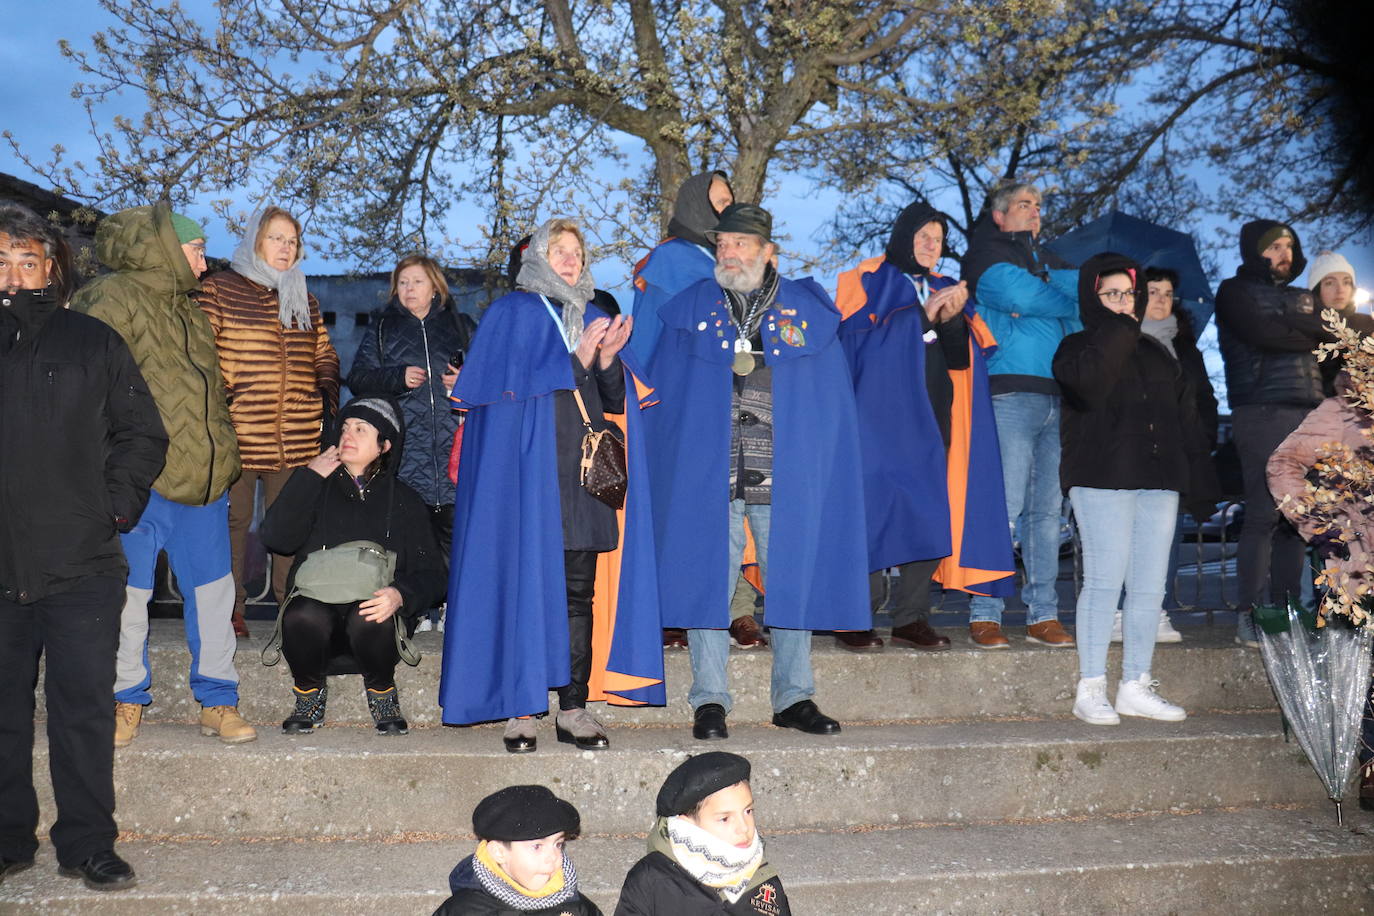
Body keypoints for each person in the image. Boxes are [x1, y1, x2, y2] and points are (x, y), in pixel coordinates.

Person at [644, 203, 869, 740]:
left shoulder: (804, 311)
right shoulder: (688, 308)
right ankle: (709, 701)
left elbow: (828, 405)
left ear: (769, 252)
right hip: (709, 473)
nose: (730, 252)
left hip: (784, 471)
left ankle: (794, 697)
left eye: (741, 244)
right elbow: (665, 401)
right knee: (708, 583)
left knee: (791, 579)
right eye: (723, 243)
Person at [439, 218, 664, 752]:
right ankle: (521, 711)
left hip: (579, 477)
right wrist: (577, 359)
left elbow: (612, 402)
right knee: (523, 587)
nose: (569, 260)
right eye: (558, 250)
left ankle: (574, 707)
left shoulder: (594, 314)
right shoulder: (513, 313)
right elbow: (508, 401)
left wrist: (606, 360)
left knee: (576, 594)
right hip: (525, 477)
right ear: (537, 255)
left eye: (577, 252)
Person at [0, 203, 167, 891]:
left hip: (82, 565)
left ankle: (87, 844)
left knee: (83, 716)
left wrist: (114, 506)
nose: (14, 275)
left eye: (27, 261)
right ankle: (9, 840)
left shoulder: (92, 342)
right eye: (1, 262)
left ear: (51, 267)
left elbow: (143, 434)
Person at [71, 202, 254, 748]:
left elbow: (205, 396)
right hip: (137, 481)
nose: (204, 264)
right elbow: (82, 393)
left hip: (202, 482)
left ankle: (218, 702)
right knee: (126, 597)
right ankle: (125, 700)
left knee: (215, 596)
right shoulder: (108, 298)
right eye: (197, 251)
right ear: (167, 248)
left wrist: (224, 457)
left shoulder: (188, 308)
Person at [1053, 253, 1216, 725]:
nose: (1125, 302)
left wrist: (1196, 480)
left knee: (1148, 589)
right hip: (1101, 477)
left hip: (1159, 482)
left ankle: (1136, 684)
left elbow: (1184, 419)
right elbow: (1088, 386)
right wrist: (1120, 330)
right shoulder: (1076, 346)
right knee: (1104, 582)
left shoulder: (1157, 351)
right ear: (1093, 297)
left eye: (1129, 293)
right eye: (1112, 294)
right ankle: (1090, 688)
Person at [1215, 222, 1372, 647]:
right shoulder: (1234, 291)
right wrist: (1308, 329)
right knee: (1264, 516)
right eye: (1274, 246)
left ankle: (1285, 612)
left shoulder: (1301, 298)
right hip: (1262, 409)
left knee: (1295, 522)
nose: (1284, 252)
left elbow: (1333, 332)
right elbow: (1263, 335)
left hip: (1308, 413)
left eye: (1289, 245)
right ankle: (1249, 613)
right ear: (1253, 251)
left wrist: (1298, 323)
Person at [629, 172, 766, 651]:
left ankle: (738, 610)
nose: (727, 210)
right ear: (695, 206)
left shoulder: (736, 265)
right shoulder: (667, 261)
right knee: (680, 509)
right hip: (675, 409)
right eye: (719, 202)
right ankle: (670, 611)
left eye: (732, 202)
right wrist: (638, 402)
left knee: (735, 508)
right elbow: (644, 340)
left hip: (735, 404)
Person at [834, 201, 976, 651]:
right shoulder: (866, 279)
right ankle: (856, 615)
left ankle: (912, 617)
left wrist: (950, 321)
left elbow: (958, 360)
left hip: (931, 416)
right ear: (903, 238)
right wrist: (921, 317)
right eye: (923, 237)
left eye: (938, 239)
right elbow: (854, 343)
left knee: (927, 512)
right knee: (871, 514)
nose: (933, 246)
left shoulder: (943, 286)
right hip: (874, 419)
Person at [258, 398, 446, 735]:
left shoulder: (404, 500)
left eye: (361, 429)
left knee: (370, 612)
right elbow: (276, 538)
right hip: (317, 627)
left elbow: (434, 574)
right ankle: (308, 693)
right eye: (345, 427)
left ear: (384, 445)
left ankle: (382, 692)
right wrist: (308, 478)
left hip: (373, 630)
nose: (348, 434)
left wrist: (401, 595)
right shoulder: (316, 486)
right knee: (301, 613)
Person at [198, 206, 341, 638]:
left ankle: (291, 609)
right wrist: (223, 404)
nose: (285, 247)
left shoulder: (306, 298)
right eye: (277, 237)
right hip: (237, 434)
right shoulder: (219, 289)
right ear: (256, 240)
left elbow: (324, 354)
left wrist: (323, 395)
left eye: (292, 241)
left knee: (289, 526)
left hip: (295, 437)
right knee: (233, 525)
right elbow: (203, 354)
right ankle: (231, 610)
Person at [960, 180, 1080, 650]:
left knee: (1048, 515)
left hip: (1058, 396)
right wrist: (1050, 295)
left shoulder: (1049, 260)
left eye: (1038, 206)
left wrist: (1044, 291)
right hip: (1009, 393)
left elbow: (1077, 311)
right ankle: (984, 612)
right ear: (1000, 215)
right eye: (1024, 205)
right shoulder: (985, 254)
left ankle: (1042, 614)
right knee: (1002, 510)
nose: (1034, 212)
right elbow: (1024, 297)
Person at [1266, 324, 1374, 812]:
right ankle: (1371, 765)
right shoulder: (1339, 411)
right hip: (1358, 564)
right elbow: (1282, 465)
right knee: (1366, 672)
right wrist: (1324, 525)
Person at [347, 254, 475, 629]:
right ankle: (418, 607)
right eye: (402, 283)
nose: (409, 290)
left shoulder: (460, 325)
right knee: (414, 531)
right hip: (409, 446)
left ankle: (455, 605)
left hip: (454, 441)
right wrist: (397, 378)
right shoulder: (383, 328)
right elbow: (357, 379)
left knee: (457, 527)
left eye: (417, 282)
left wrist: (462, 382)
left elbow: (488, 374)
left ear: (435, 286)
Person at [1109, 266, 1219, 641]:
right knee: (1124, 535)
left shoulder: (1186, 348)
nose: (1160, 299)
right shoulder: (1122, 339)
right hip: (1128, 450)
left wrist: (1201, 437)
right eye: (1153, 291)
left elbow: (1206, 398)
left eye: (1167, 293)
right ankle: (1122, 612)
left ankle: (1157, 612)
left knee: (1165, 535)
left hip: (1174, 453)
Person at [615, 752, 790, 915]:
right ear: (687, 824)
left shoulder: (764, 882)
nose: (744, 827)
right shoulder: (651, 879)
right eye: (725, 819)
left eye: (748, 811)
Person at [433, 785, 602, 915]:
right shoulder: (465, 910)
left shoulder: (575, 907)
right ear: (499, 853)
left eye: (558, 844)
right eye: (537, 846)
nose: (552, 857)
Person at [1308, 250, 1365, 395]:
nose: (1340, 290)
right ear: (1316, 290)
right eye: (1329, 283)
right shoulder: (1305, 330)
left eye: (1346, 282)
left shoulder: (1366, 324)